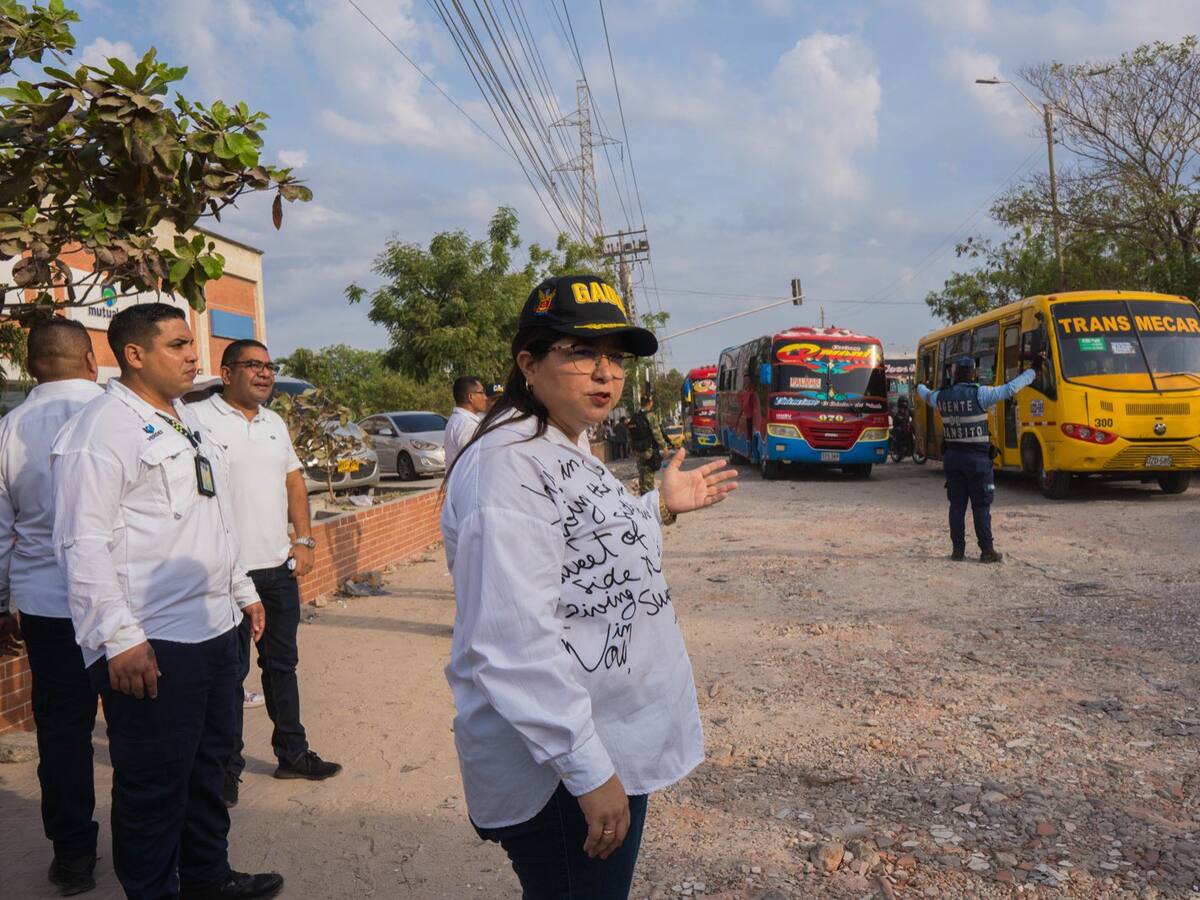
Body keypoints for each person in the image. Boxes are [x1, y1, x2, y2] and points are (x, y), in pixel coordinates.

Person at [440, 274, 738, 899]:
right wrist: (588, 770)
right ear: (528, 364)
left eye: (616, 357)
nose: (605, 373)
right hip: (558, 770)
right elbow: (512, 644)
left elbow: (593, 562)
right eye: (580, 351)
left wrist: (659, 507)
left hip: (604, 741)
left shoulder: (562, 445)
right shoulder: (509, 467)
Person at [51, 303, 283, 900]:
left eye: (190, 344)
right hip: (154, 641)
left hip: (215, 627)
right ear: (134, 354)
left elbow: (214, 514)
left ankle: (208, 878)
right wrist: (119, 637)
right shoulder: (100, 431)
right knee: (154, 786)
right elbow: (81, 543)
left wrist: (241, 591)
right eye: (178, 345)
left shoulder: (186, 418)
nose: (193, 355)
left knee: (209, 770)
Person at [191, 339, 342, 810]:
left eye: (269, 366)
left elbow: (293, 481)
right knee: (229, 677)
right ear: (226, 373)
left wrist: (305, 540)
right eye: (253, 365)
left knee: (282, 667)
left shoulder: (274, 423)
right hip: (226, 575)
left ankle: (292, 754)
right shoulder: (198, 419)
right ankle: (225, 771)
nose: (265, 374)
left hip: (277, 570)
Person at [0, 317, 103, 895]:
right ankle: (157, 845)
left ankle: (73, 858)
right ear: (91, 360)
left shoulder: (8, 430)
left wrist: (1, 605)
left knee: (62, 735)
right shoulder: (119, 415)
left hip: (48, 608)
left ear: (30, 366)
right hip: (128, 605)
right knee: (144, 727)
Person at [916, 354, 1040, 563]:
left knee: (957, 507)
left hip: (953, 459)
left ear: (955, 374)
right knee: (981, 506)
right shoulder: (981, 394)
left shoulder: (941, 397)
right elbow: (1010, 389)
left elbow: (925, 394)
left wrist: (918, 385)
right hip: (977, 461)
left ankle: (958, 551)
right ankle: (987, 551)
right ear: (973, 374)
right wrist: (1032, 372)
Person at [443, 375, 487, 469]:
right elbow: (474, 463)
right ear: (470, 397)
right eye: (481, 393)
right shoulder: (467, 425)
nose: (485, 397)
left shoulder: (457, 420)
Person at [628, 393, 668, 496]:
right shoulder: (651, 416)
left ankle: (643, 497)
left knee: (642, 476)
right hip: (649, 451)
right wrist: (664, 446)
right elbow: (657, 433)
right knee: (649, 478)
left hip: (638, 451)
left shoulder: (635, 417)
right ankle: (648, 500)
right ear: (649, 403)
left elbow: (631, 436)